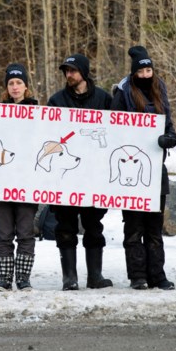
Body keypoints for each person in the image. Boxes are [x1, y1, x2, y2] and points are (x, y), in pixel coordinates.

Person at [110, 46, 176, 290]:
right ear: (134, 73)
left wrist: (170, 138)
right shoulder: (123, 93)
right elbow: (114, 127)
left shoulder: (160, 90)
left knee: (154, 229)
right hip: (130, 169)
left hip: (155, 171)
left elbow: (169, 125)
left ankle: (157, 275)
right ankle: (137, 275)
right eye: (142, 71)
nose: (146, 75)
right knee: (133, 227)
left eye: (149, 70)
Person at [46, 53, 114, 290]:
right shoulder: (56, 101)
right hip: (65, 177)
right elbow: (47, 135)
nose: (68, 75)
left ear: (84, 72)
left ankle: (95, 276)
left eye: (73, 70)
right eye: (66, 71)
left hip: (95, 176)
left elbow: (119, 132)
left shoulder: (105, 99)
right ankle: (69, 278)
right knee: (65, 226)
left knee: (94, 225)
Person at [0, 63, 39, 291]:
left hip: (27, 183)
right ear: (7, 87)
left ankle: (23, 278)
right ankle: (4, 278)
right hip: (2, 183)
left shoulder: (39, 113)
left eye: (19, 82)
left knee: (26, 233)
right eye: (11, 83)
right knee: (4, 233)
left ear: (26, 86)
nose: (15, 87)